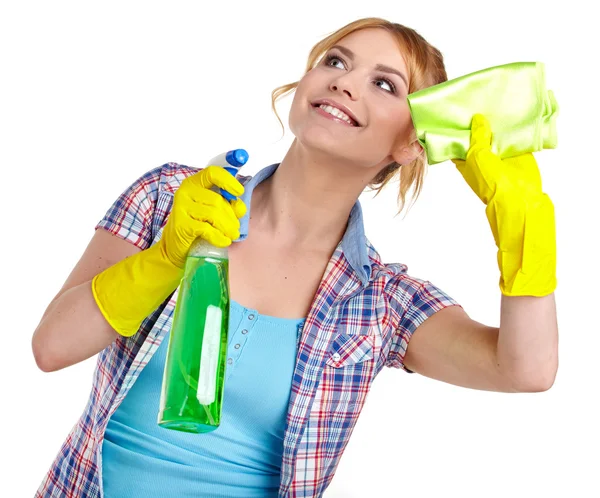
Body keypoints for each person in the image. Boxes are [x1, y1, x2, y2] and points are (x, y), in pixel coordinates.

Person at [32, 16, 558, 498]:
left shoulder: (380, 303)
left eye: (384, 84)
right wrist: (169, 254)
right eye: (336, 61)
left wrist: (527, 238)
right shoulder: (173, 198)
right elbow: (51, 347)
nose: (344, 82)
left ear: (412, 144)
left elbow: (525, 370)